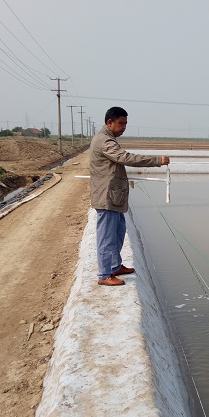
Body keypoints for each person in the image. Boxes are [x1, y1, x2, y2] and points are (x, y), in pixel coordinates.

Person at [89, 107, 169, 286]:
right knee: (106, 237)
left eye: (126, 124)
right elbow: (125, 158)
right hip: (107, 196)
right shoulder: (104, 140)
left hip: (114, 196)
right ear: (110, 122)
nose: (124, 127)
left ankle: (115, 266)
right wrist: (156, 161)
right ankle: (104, 274)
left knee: (118, 231)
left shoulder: (108, 139)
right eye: (121, 123)